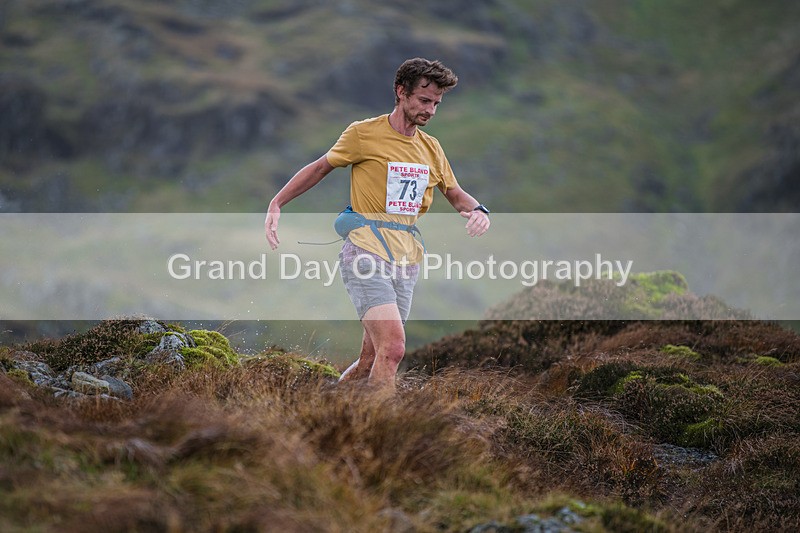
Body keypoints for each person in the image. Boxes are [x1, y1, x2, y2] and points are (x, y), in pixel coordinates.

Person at [265, 57, 490, 389]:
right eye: (424, 100)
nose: (431, 110)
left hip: (406, 260)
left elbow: (455, 194)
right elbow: (319, 167)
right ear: (401, 92)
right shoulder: (363, 133)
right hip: (365, 252)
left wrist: (480, 211)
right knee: (394, 347)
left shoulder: (431, 148)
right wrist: (277, 203)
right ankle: (380, 429)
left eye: (437, 104)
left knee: (373, 357)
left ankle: (329, 405)